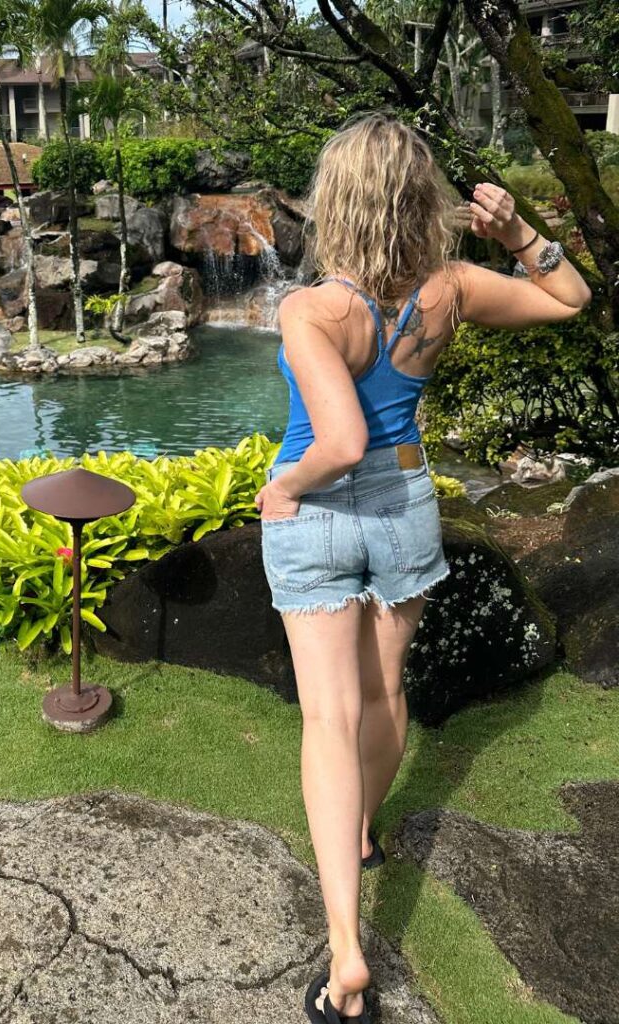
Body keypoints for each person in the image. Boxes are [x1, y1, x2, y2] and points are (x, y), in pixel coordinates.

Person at [254, 111, 592, 1024]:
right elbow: (570, 300)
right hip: (404, 503)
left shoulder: (309, 310)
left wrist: (284, 487)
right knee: (385, 693)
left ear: (336, 203)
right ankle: (363, 829)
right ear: (420, 200)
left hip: (318, 514)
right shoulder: (452, 288)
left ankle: (347, 954)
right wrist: (517, 233)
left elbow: (338, 441)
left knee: (329, 717)